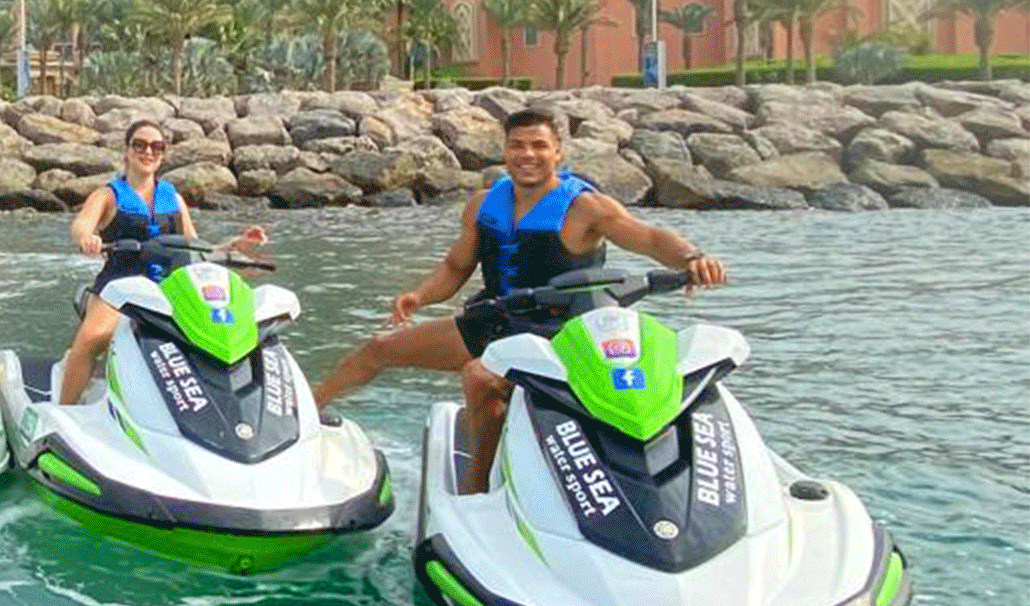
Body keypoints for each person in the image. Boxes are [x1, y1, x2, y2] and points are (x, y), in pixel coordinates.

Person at [312, 108, 728, 493]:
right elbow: (457, 268)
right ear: (505, 151)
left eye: (539, 146)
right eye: (517, 146)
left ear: (558, 153)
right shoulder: (484, 204)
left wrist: (692, 257)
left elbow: (650, 237)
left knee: (480, 377)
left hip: (564, 335)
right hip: (497, 318)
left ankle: (478, 490)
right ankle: (307, 416)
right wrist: (419, 295)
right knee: (379, 349)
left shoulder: (586, 208)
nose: (527, 155)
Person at [57, 120, 265, 405]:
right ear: (127, 151)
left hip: (170, 289)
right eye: (139, 145)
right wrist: (87, 238)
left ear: (163, 154)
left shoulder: (173, 198)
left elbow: (197, 247)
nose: (148, 152)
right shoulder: (107, 195)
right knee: (93, 337)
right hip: (119, 289)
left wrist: (234, 246)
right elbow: (81, 225)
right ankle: (64, 409)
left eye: (156, 147)